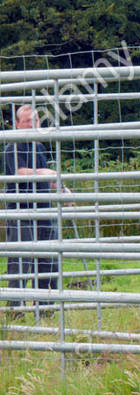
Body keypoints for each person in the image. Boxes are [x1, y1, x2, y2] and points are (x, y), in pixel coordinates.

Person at [3, 105, 65, 293]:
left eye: (35, 120)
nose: (32, 124)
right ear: (17, 124)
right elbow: (19, 171)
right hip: (22, 212)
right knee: (20, 260)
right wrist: (43, 172)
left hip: (44, 210)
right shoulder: (11, 146)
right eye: (27, 121)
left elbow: (48, 176)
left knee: (48, 259)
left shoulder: (38, 147)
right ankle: (16, 308)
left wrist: (61, 187)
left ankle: (45, 306)